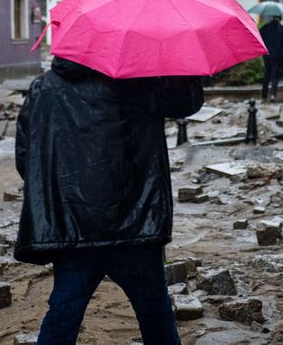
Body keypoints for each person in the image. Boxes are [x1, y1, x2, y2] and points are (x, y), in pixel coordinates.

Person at [14, 56, 203, 344]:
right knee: (155, 311)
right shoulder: (139, 80)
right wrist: (179, 63)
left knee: (63, 313)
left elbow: (26, 159)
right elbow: (186, 103)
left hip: (73, 226)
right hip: (135, 223)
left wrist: (64, 192)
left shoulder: (44, 88)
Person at [259, 15, 283, 101]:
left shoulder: (265, 27)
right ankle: (273, 95)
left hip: (267, 55)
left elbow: (259, 37)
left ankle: (264, 95)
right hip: (277, 56)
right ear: (280, 19)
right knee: (275, 76)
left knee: (266, 74)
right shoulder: (282, 29)